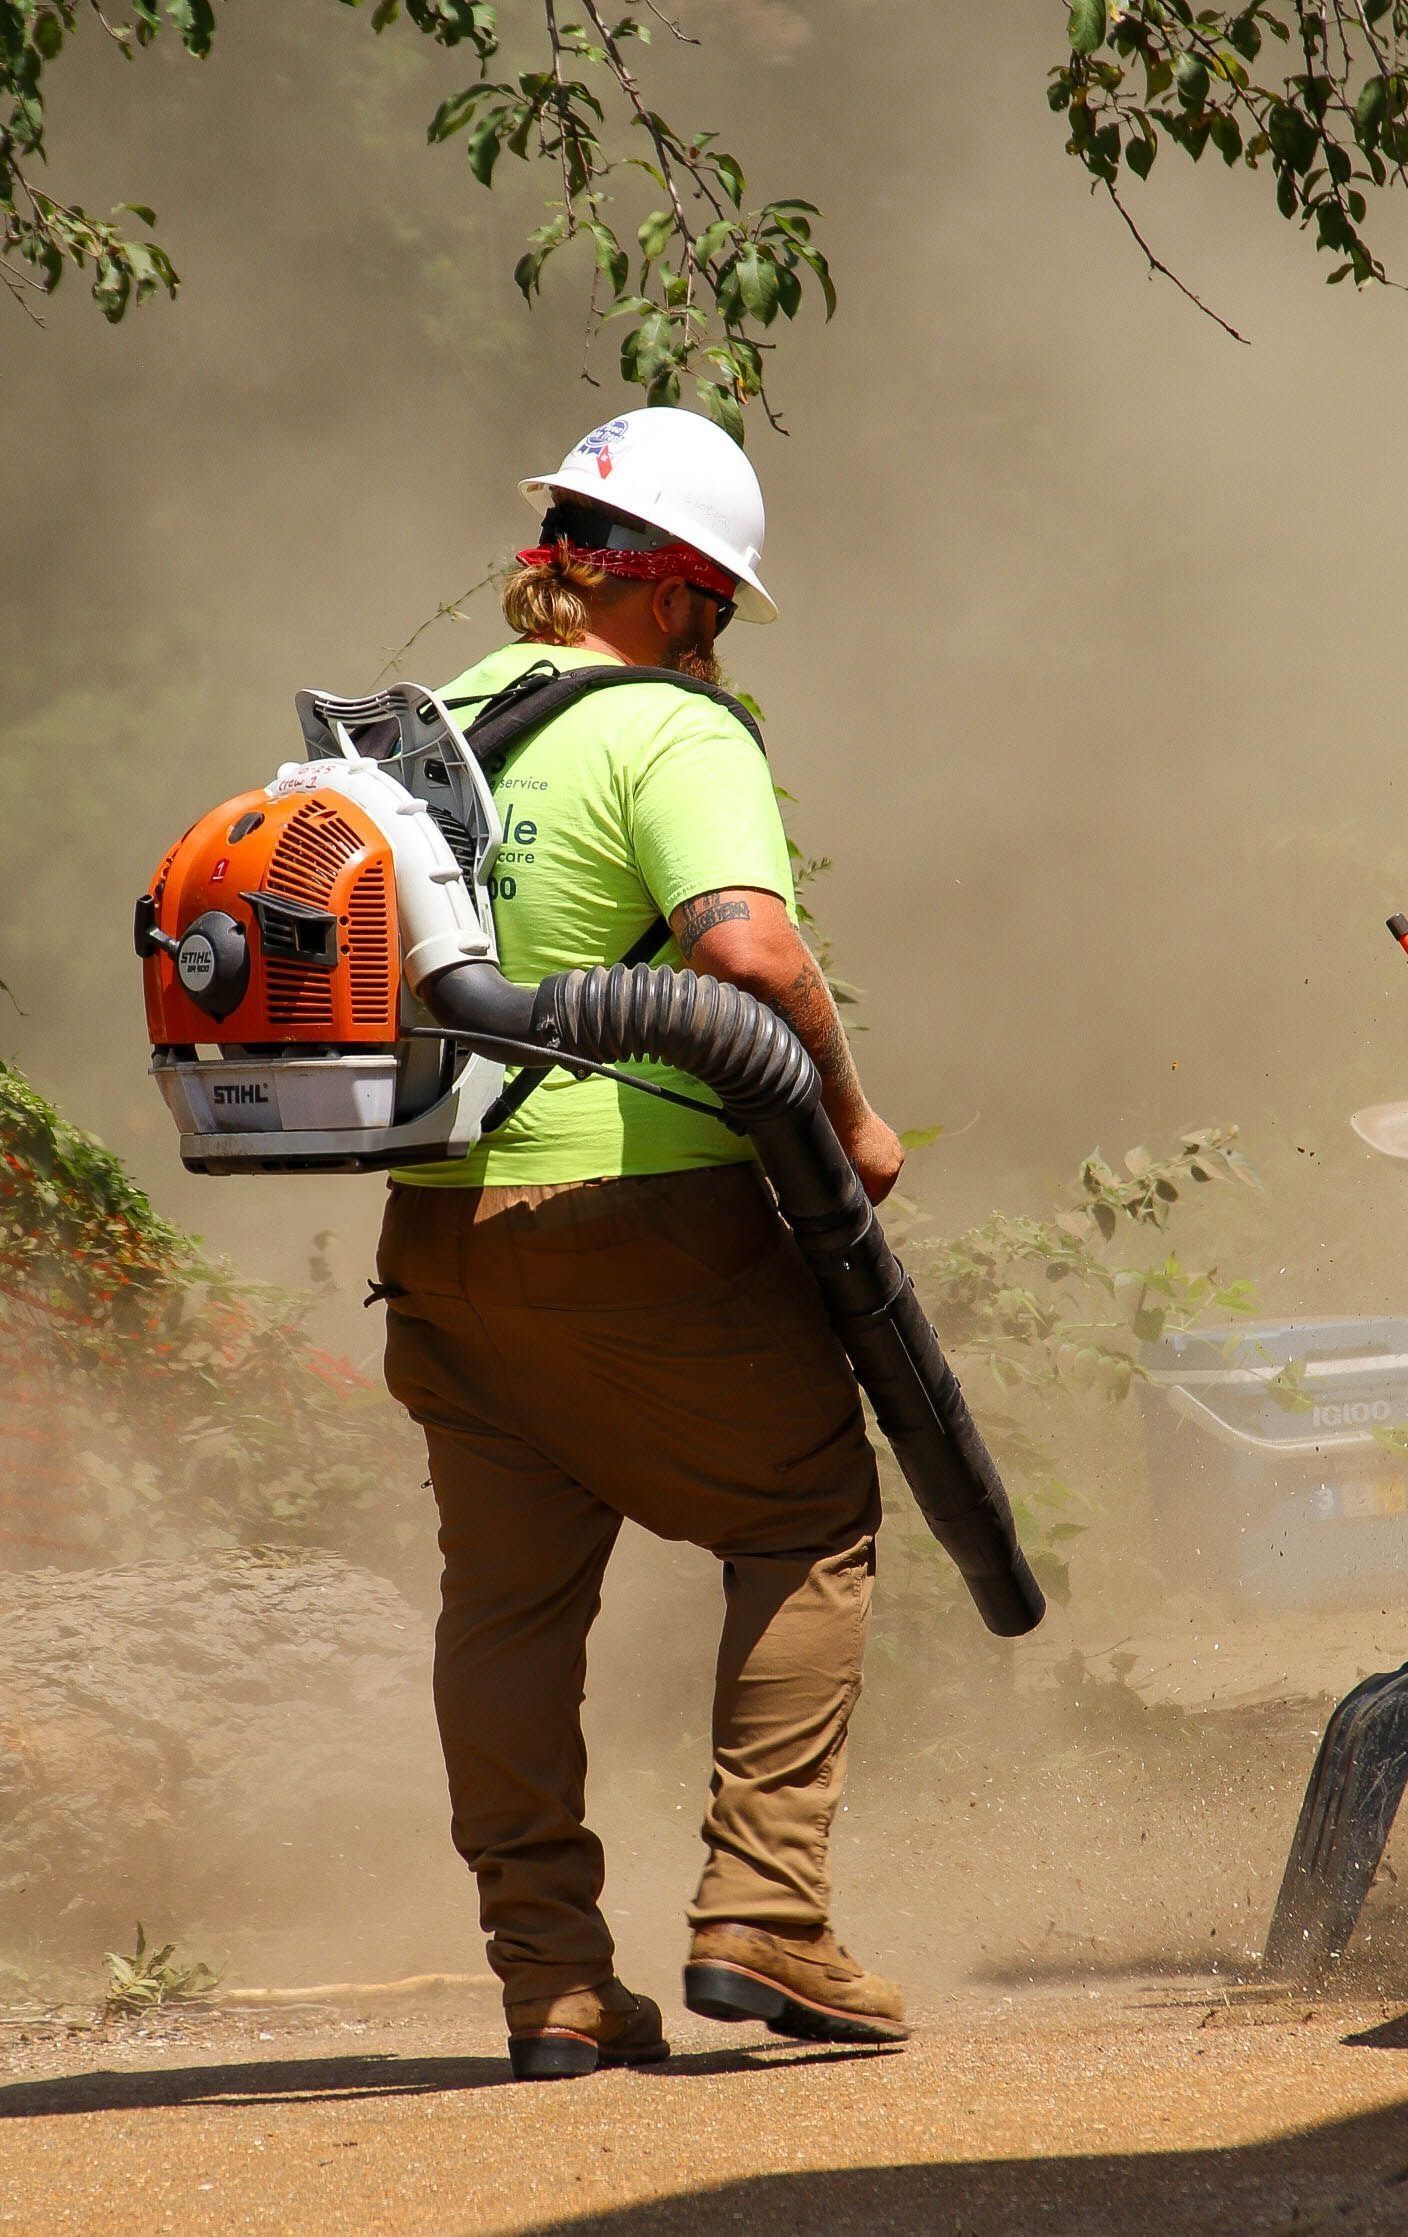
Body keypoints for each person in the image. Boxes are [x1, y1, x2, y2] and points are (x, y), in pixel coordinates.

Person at [376, 406, 908, 2081]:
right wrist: (851, 1113)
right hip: (636, 1216)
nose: (720, 634)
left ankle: (551, 1978)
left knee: (511, 1602)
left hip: (443, 1232)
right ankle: (765, 1910)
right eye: (721, 605)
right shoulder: (669, 729)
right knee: (813, 1510)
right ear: (676, 591)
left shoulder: (423, 730)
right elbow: (746, 950)